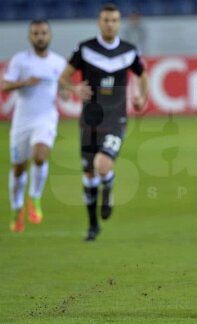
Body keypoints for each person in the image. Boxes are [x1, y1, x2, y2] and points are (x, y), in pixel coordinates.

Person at [59, 3, 148, 241]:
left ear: (119, 23)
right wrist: (75, 87)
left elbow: (143, 75)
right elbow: (64, 78)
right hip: (89, 121)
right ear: (100, 22)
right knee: (89, 174)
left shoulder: (129, 51)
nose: (110, 24)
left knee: (102, 164)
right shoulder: (85, 49)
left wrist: (141, 96)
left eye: (114, 20)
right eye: (106, 20)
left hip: (116, 118)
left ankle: (107, 188)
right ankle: (92, 224)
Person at [3, 20, 67, 233]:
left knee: (40, 156)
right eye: (36, 33)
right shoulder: (20, 61)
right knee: (19, 168)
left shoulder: (58, 63)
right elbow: (4, 86)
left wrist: (67, 92)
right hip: (22, 121)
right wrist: (24, 83)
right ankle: (16, 208)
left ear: (50, 36)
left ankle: (35, 197)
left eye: (43, 33)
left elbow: (64, 90)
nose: (40, 37)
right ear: (30, 37)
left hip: (46, 118)